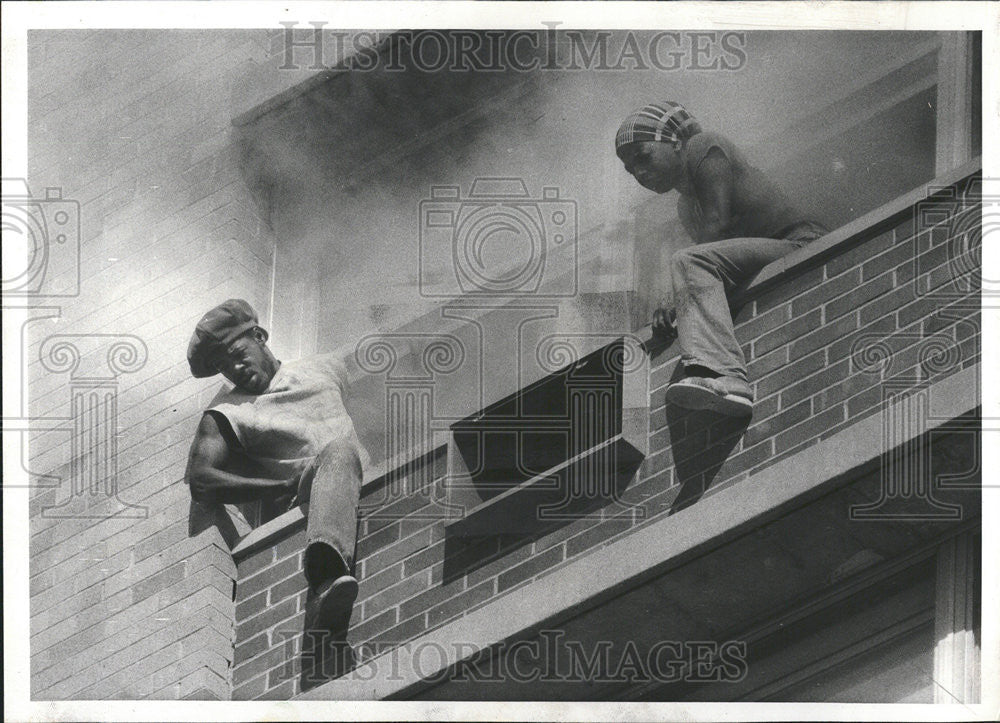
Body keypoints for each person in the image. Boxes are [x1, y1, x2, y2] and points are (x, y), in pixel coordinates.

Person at [616, 101, 827, 416]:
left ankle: (724, 376)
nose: (640, 174)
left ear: (675, 142)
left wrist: (676, 298)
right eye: (631, 170)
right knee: (689, 264)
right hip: (772, 259)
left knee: (687, 262)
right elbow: (713, 268)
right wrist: (676, 312)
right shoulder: (686, 207)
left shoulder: (704, 146)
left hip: (800, 243)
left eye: (643, 157)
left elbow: (718, 225)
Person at [184, 298, 364, 631]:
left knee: (341, 450)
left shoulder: (324, 367)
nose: (235, 369)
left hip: (355, 489)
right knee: (337, 449)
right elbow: (200, 479)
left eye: (238, 356)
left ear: (260, 337)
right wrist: (280, 487)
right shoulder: (229, 411)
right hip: (304, 500)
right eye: (225, 366)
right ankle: (325, 580)